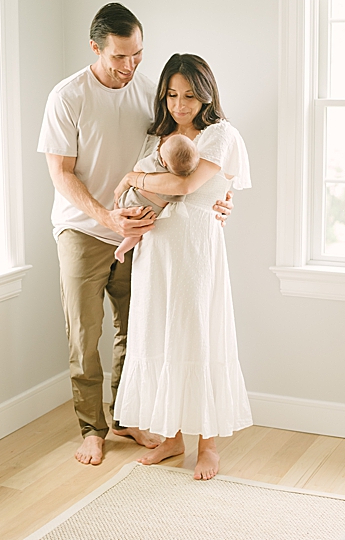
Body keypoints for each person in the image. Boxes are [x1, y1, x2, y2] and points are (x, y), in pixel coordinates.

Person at [38, 3, 232, 466]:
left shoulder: (151, 94)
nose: (129, 67)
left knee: (137, 330)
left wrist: (220, 198)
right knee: (85, 335)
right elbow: (61, 174)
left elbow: (190, 154)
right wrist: (108, 218)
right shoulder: (67, 97)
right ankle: (92, 430)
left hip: (144, 233)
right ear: (96, 48)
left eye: (138, 55)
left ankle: (125, 419)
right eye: (119, 58)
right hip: (83, 229)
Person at [112, 53, 253, 481]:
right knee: (162, 334)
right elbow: (155, 189)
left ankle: (207, 444)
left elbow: (185, 184)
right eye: (172, 95)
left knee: (197, 334)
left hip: (195, 249)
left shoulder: (220, 134)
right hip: (157, 250)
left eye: (190, 95)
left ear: (205, 94)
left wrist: (135, 179)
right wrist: (140, 185)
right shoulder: (158, 136)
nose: (180, 105)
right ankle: (172, 437)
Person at [113, 133, 200, 263]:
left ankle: (120, 249)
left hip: (132, 201)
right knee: (139, 232)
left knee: (131, 220)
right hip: (152, 212)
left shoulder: (156, 162)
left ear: (164, 161)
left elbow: (137, 168)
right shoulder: (183, 180)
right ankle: (122, 250)